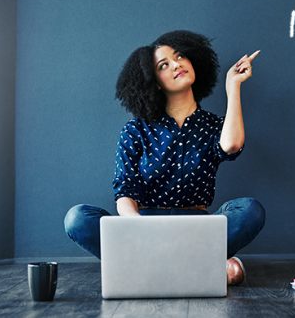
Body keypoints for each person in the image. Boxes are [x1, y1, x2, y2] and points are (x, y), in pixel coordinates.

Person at [64, 30, 265, 286]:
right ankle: (198, 269)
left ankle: (152, 270)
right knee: (77, 218)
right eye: (164, 64)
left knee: (250, 210)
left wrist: (232, 86)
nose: (176, 64)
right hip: (143, 230)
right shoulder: (136, 129)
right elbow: (125, 191)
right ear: (155, 82)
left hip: (198, 231)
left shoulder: (215, 125)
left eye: (180, 56)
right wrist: (141, 229)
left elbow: (232, 145)